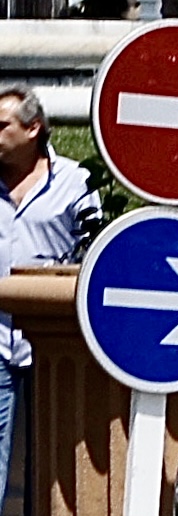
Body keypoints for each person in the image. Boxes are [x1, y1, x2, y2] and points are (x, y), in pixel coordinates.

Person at [0, 84, 101, 494]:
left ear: (32, 128)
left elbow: (94, 250)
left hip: (54, 343)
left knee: (56, 456)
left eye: (1, 125)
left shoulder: (75, 182)